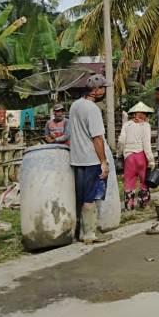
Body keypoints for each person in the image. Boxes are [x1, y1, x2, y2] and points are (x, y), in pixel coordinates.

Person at [68, 74, 111, 244]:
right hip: (91, 159)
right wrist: (103, 162)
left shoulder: (74, 106)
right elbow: (97, 138)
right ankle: (90, 234)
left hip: (77, 159)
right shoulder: (92, 109)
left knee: (81, 195)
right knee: (90, 197)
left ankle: (80, 232)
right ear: (96, 90)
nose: (103, 92)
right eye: (103, 88)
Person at [118, 102, 155, 210]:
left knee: (129, 181)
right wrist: (151, 160)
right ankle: (144, 203)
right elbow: (146, 144)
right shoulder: (146, 126)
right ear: (139, 113)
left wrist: (120, 153)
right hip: (141, 157)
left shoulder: (126, 125)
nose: (146, 116)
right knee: (144, 181)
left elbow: (121, 141)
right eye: (145, 114)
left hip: (129, 157)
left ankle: (129, 206)